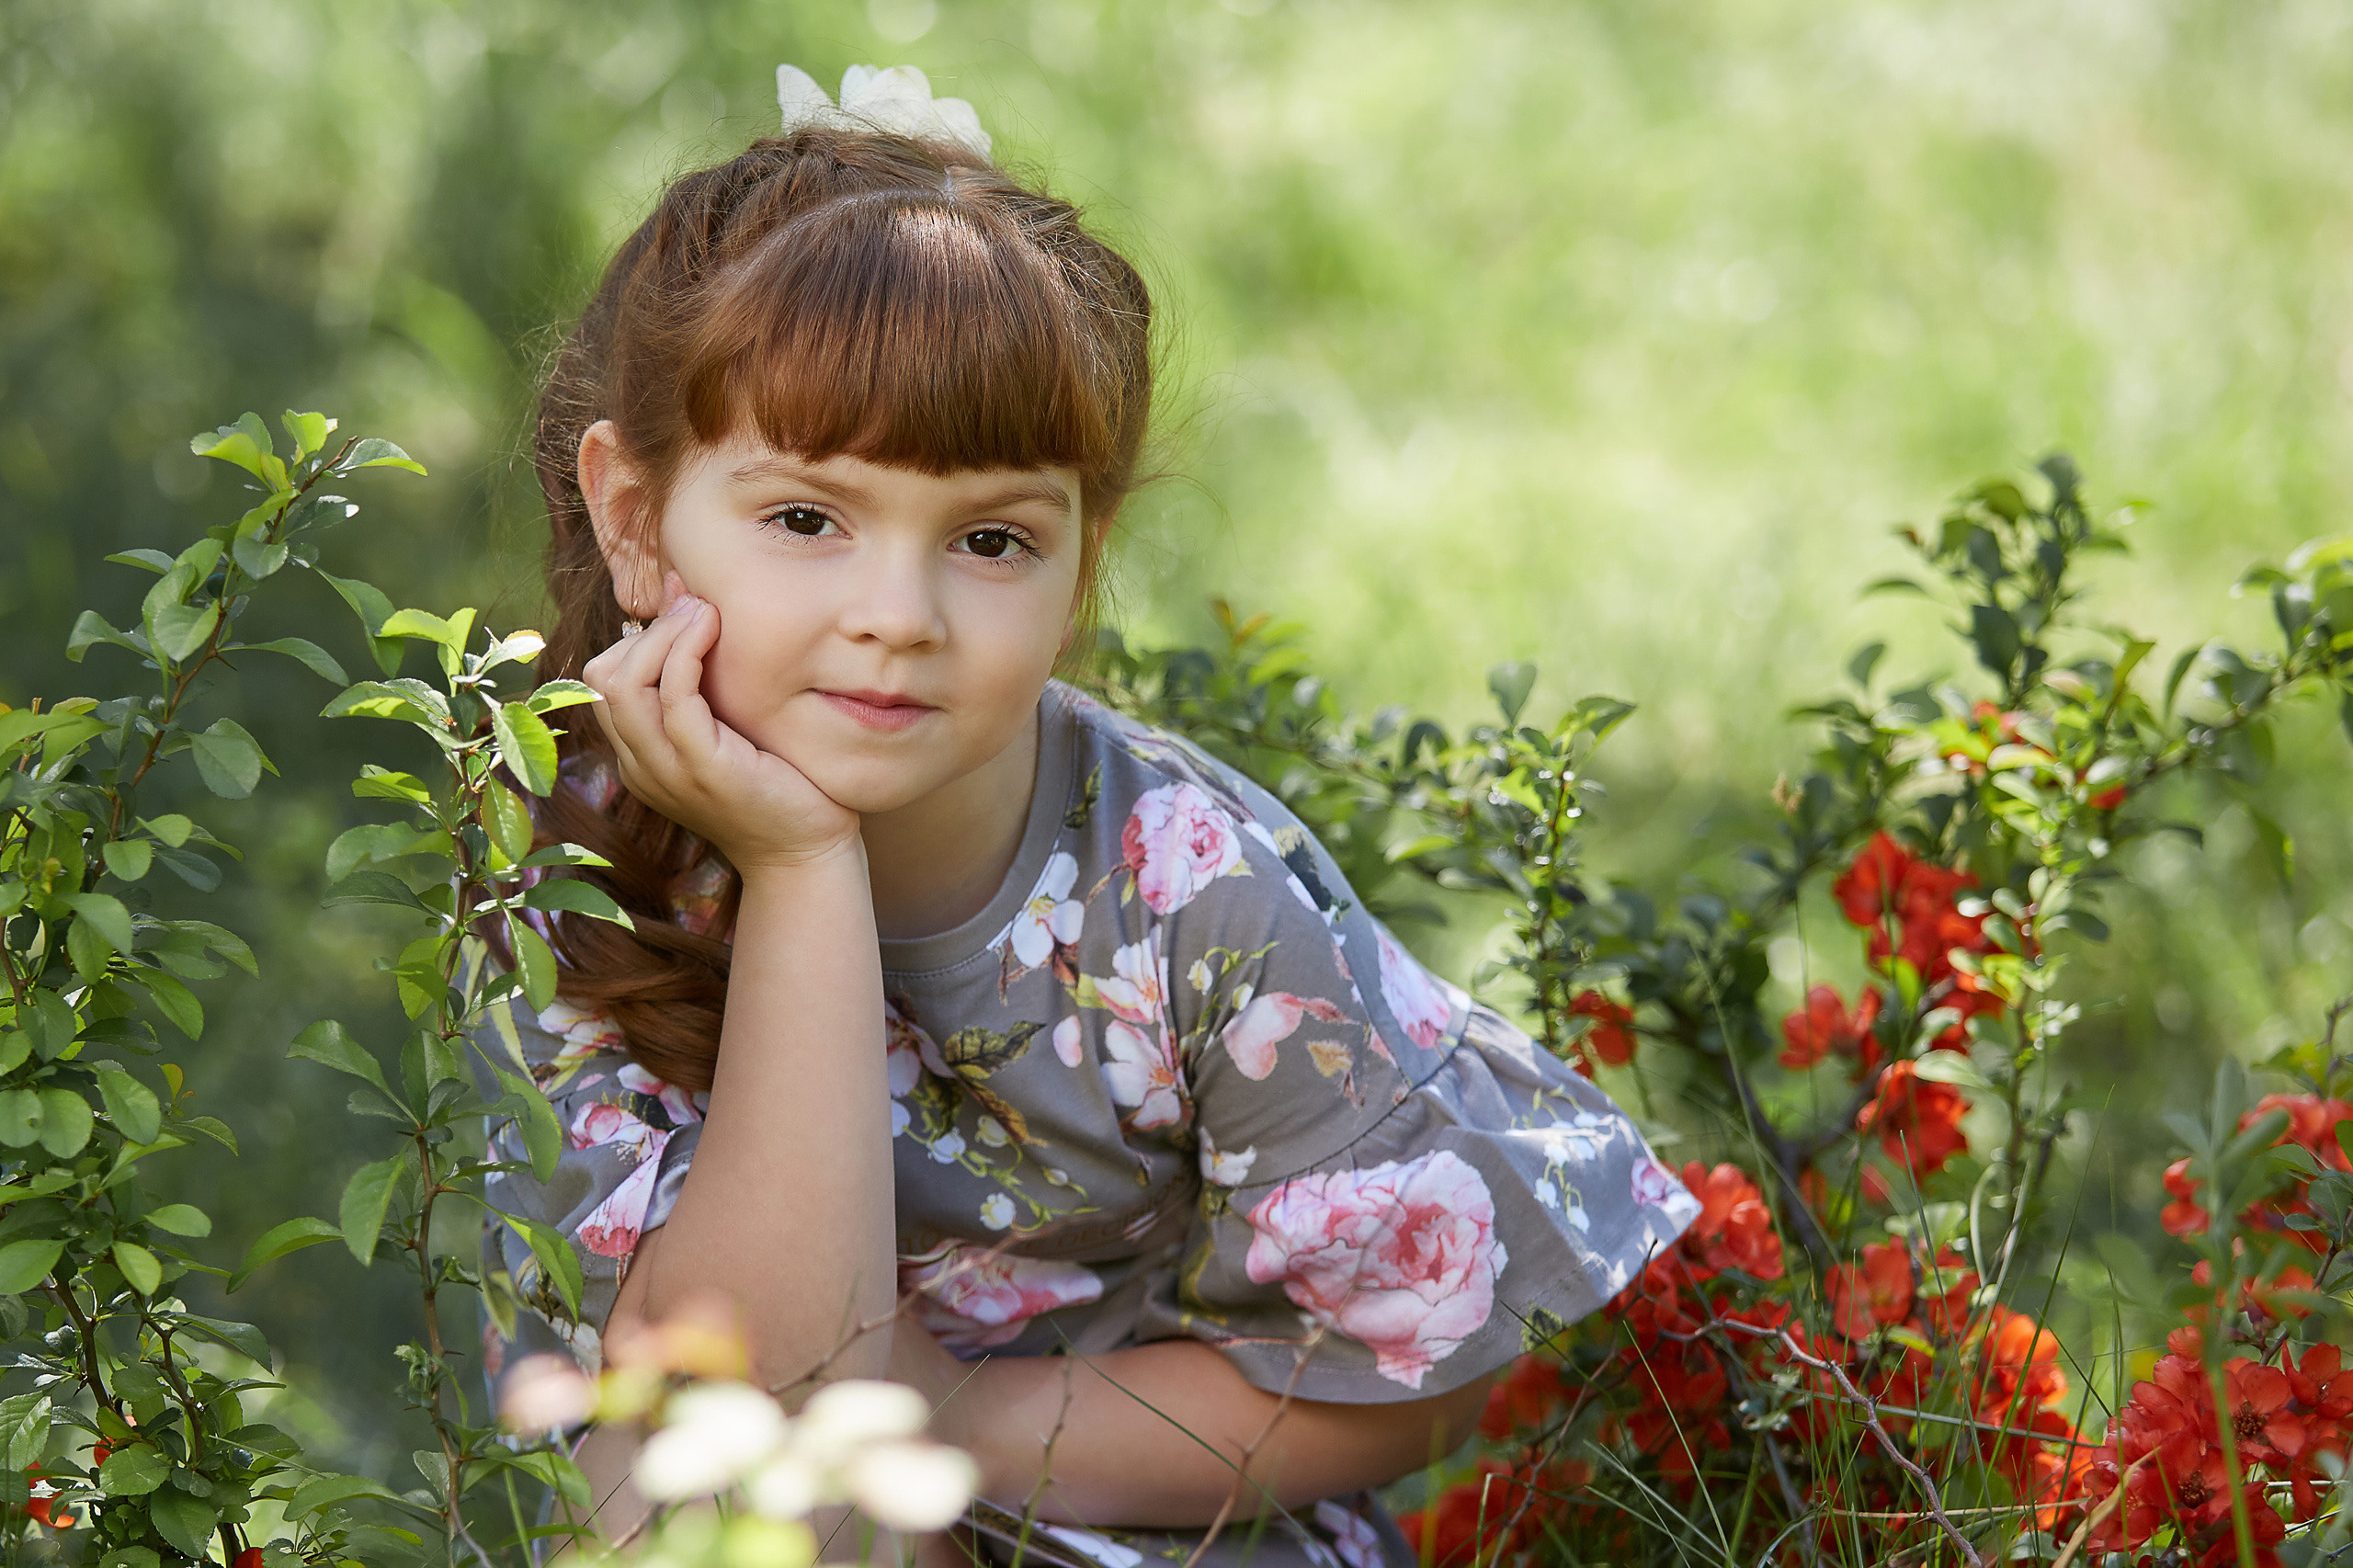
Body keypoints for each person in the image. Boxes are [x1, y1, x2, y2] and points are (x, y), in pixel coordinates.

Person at [474, 62, 1701, 1568]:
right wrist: (801, 867)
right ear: (638, 519)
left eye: (991, 538)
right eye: (808, 518)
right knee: (673, 1485)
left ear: (1082, 562)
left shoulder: (1187, 891)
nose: (897, 615)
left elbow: (1426, 1373)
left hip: (1123, 1514)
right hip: (779, 1501)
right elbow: (742, 1388)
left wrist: (959, 1426)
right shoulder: (577, 859)